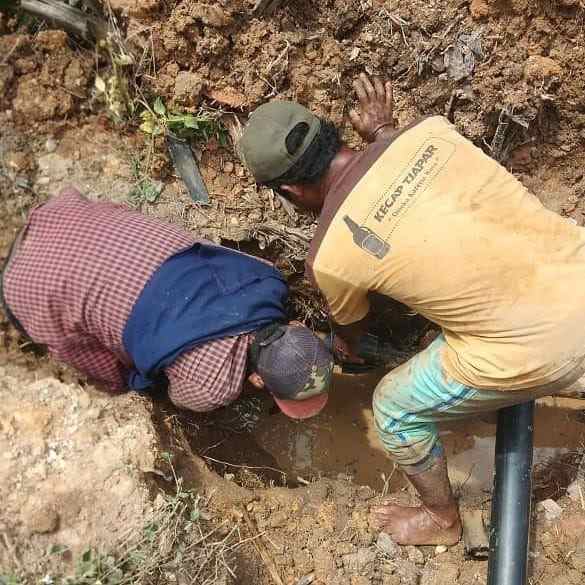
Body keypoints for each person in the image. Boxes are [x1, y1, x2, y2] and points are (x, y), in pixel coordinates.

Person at [238, 73, 585, 545]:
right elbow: (395, 158)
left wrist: (339, 348)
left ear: (291, 192)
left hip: (542, 349)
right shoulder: (428, 133)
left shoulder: (331, 256)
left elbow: (353, 337)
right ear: (331, 132)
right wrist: (383, 132)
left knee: (394, 407)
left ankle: (439, 520)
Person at [0, 188, 333, 420]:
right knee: (118, 379)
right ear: (258, 382)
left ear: (297, 325)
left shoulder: (267, 279)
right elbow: (165, 391)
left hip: (66, 219)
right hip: (26, 288)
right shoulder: (212, 388)